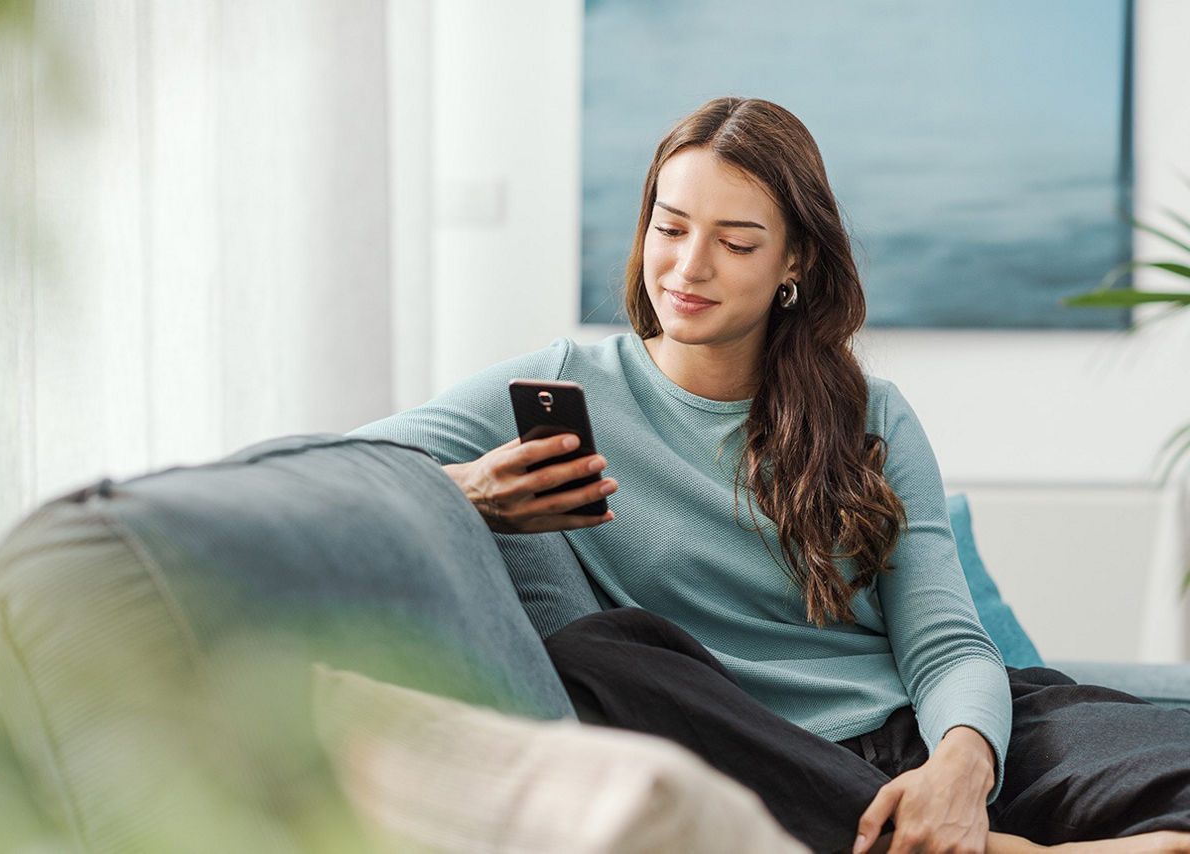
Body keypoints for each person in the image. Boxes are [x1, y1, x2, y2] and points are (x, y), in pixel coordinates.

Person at [352, 97, 1190, 852]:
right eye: (670, 228)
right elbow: (340, 465)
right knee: (607, 655)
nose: (687, 268)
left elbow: (945, 644)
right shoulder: (558, 383)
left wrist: (961, 768)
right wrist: (469, 493)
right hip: (756, 750)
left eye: (736, 241)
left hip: (915, 727)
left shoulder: (872, 412)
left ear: (794, 263)